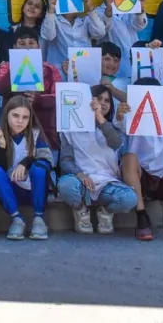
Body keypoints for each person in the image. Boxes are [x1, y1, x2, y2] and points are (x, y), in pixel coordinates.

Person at [116, 77, 163, 243]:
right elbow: (120, 124)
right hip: (140, 176)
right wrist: (120, 114)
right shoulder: (130, 113)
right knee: (128, 158)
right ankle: (142, 217)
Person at [57, 85, 138, 234]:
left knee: (130, 198)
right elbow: (65, 160)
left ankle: (106, 213)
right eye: (99, 99)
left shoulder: (116, 127)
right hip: (81, 182)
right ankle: (81, 211)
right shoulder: (70, 128)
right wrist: (80, 174)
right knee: (65, 185)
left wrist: (99, 117)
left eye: (107, 100)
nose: (103, 103)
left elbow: (115, 142)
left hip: (107, 184)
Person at [0, 95, 52, 240]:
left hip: (35, 190)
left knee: (40, 167)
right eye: (15, 115)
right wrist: (2, 146)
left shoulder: (36, 134)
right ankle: (17, 219)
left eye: (25, 117)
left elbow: (47, 160)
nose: (20, 121)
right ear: (6, 115)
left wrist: (25, 162)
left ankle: (39, 219)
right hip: (11, 191)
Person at [98, 0, 148, 79]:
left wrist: (140, 10)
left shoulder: (128, 8)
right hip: (112, 65)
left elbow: (139, 25)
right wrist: (108, 14)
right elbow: (101, 31)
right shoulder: (98, 12)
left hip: (133, 62)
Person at [40, 0, 104, 69]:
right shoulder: (53, 20)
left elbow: (100, 33)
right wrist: (50, 10)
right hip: (59, 73)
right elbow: (48, 36)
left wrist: (91, 8)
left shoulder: (86, 20)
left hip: (84, 71)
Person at [0, 27, 63, 96]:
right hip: (14, 107)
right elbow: (0, 89)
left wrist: (38, 101)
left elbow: (56, 96)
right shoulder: (5, 67)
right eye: (22, 43)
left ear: (38, 46)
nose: (27, 47)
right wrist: (14, 68)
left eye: (31, 43)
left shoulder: (50, 69)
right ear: (15, 47)